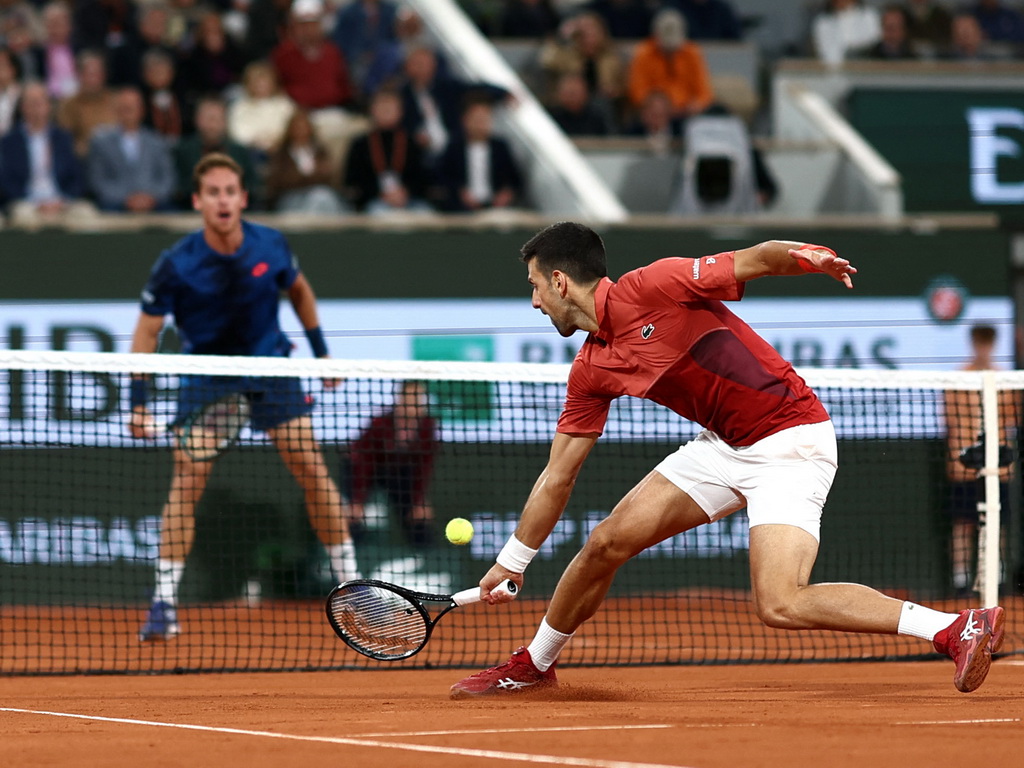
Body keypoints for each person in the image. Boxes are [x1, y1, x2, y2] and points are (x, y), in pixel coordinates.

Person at [449, 222, 1005, 698]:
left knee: (781, 602)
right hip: (724, 447)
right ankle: (535, 666)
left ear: (560, 281)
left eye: (535, 287)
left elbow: (756, 259)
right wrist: (514, 560)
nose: (534, 301)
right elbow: (558, 475)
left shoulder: (656, 283)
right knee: (604, 544)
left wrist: (809, 258)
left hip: (790, 441)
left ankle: (954, 626)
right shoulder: (590, 369)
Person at [128, 152, 360, 641]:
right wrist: (138, 401)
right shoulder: (176, 263)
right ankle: (164, 604)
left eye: (230, 191)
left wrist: (321, 355)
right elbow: (146, 333)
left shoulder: (270, 244)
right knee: (187, 479)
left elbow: (299, 292)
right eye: (212, 193)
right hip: (207, 375)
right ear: (198, 201)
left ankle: (351, 586)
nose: (222, 200)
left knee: (310, 468)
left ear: (243, 198)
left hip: (269, 367)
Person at [943, 325, 1019, 597]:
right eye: (979, 342)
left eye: (988, 343)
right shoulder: (959, 379)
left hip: (997, 468)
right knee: (963, 524)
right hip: (964, 468)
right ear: (973, 343)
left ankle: (994, 577)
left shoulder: (1005, 381)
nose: (983, 348)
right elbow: (952, 420)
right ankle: (960, 580)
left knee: (995, 521)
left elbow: (1011, 417)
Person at [348, 380, 438, 548]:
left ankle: (425, 561)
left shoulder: (428, 426)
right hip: (365, 471)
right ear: (400, 399)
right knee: (352, 518)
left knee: (419, 518)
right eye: (409, 398)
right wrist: (357, 500)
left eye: (417, 398)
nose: (413, 403)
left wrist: (418, 501)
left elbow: (423, 467)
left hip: (401, 475)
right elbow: (365, 463)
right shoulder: (380, 424)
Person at [0, 81, 97, 227]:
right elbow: (6, 182)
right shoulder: (10, 142)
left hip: (61, 201)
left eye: (41, 102)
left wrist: (62, 200)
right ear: (23, 107)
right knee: (23, 217)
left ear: (49, 106)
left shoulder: (63, 139)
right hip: (27, 202)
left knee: (86, 214)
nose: (37, 108)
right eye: (32, 103)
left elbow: (77, 177)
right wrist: (36, 203)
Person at [342, 87, 431, 215]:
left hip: (409, 200)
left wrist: (405, 192)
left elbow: (423, 180)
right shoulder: (360, 144)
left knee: (425, 214)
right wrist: (380, 193)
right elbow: (353, 182)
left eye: (390, 108)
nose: (386, 112)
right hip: (375, 202)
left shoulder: (412, 143)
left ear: (400, 112)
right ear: (372, 110)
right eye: (382, 107)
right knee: (378, 213)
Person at [86, 86, 176, 212]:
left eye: (132, 107)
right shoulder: (101, 143)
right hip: (115, 205)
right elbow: (98, 181)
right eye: (124, 108)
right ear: (116, 110)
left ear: (142, 110)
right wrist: (126, 199)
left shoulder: (157, 141)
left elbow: (167, 179)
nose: (128, 112)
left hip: (155, 204)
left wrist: (150, 198)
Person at [436, 96, 524, 213]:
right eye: (476, 119)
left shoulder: (500, 147)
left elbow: (515, 179)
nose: (480, 124)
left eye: (485, 119)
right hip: (462, 208)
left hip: (495, 206)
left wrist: (505, 194)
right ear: (465, 120)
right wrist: (460, 192)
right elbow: (444, 176)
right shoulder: (455, 146)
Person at [627, 8, 713, 120]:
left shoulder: (693, 53)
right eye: (666, 48)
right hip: (655, 115)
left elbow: (705, 92)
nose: (670, 51)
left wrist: (697, 105)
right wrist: (656, 106)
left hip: (687, 113)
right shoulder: (643, 54)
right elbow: (637, 92)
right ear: (655, 35)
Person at [265, 108, 347, 213]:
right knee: (319, 197)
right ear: (290, 129)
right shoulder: (281, 154)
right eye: (297, 127)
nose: (301, 131)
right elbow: (280, 181)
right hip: (290, 198)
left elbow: (329, 176)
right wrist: (310, 177)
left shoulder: (320, 152)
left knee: (323, 197)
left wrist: (303, 178)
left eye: (304, 127)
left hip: (319, 194)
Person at [57, 49, 118, 158]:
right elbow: (65, 141)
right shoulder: (69, 105)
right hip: (86, 159)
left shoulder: (116, 100)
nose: (94, 79)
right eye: (90, 74)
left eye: (98, 74)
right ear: (79, 75)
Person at [811, 0, 882, 66]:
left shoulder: (869, 15)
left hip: (866, 69)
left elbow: (874, 42)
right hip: (834, 71)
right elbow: (825, 52)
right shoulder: (823, 22)